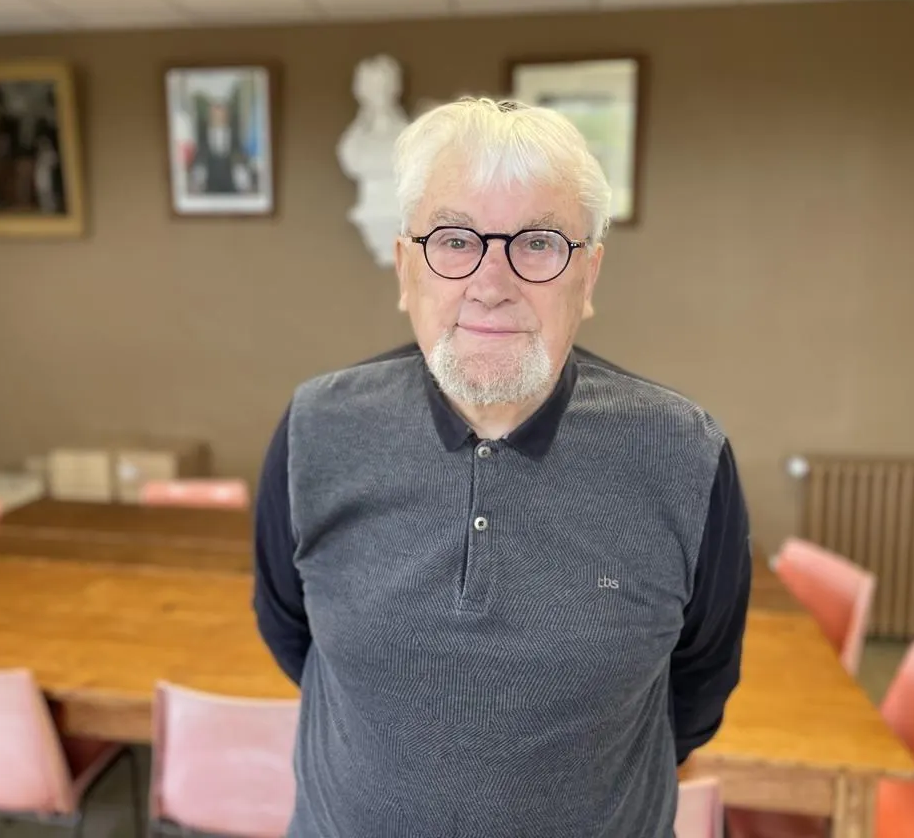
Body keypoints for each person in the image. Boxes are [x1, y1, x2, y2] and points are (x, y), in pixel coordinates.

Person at [253, 97, 752, 837]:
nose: (491, 283)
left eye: (538, 243)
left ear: (588, 276)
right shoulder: (317, 430)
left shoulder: (685, 455)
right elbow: (292, 633)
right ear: (405, 269)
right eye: (455, 240)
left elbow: (699, 685)